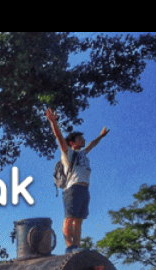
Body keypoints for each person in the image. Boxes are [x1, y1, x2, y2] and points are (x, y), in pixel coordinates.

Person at [45, 108, 110, 252]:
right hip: (72, 188)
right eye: (79, 139)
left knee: (79, 220)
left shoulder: (83, 154)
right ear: (72, 143)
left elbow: (92, 144)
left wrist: (101, 136)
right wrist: (53, 122)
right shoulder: (68, 153)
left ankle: (77, 246)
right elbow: (59, 138)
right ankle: (69, 246)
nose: (83, 141)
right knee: (70, 218)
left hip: (84, 189)